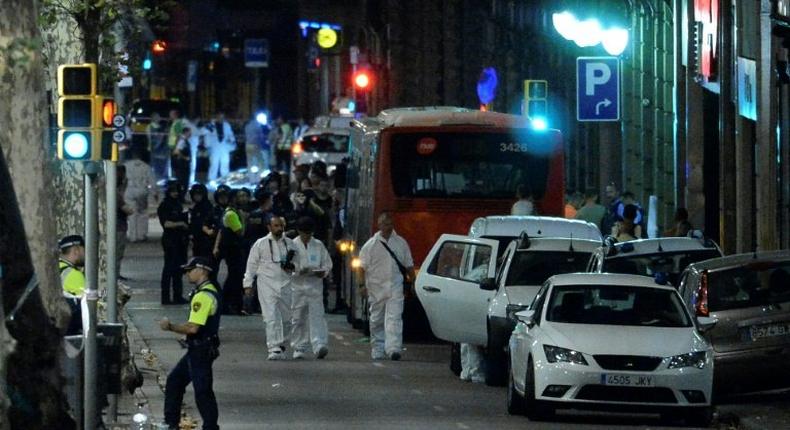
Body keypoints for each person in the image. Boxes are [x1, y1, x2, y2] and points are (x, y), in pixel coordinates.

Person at [160, 256, 221, 430]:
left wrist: (170, 326)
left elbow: (193, 328)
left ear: (202, 271)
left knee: (202, 391)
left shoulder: (202, 296)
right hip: (200, 347)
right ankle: (171, 422)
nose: (187, 273)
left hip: (200, 349)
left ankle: (210, 426)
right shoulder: (210, 290)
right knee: (175, 382)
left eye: (190, 270)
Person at [358, 212, 414, 360]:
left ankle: (394, 348)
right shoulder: (371, 245)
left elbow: (408, 265)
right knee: (376, 319)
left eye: (389, 224)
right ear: (379, 225)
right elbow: (361, 267)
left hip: (395, 286)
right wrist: (361, 285)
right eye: (384, 224)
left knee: (394, 317)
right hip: (376, 288)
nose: (387, 227)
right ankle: (377, 347)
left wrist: (413, 282)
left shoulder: (401, 243)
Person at [243, 216, 295, 360]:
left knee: (286, 318)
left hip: (286, 284)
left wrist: (293, 267)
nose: (279, 228)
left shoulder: (290, 244)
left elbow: (298, 264)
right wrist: (248, 284)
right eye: (276, 226)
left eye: (281, 226)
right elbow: (251, 264)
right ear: (269, 227)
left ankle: (281, 343)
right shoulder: (260, 244)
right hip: (266, 284)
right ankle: (273, 347)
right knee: (270, 316)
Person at [289, 217, 332, 359]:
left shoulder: (318, 245)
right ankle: (299, 346)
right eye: (304, 234)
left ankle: (319, 344)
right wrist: (297, 272)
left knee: (317, 316)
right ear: (299, 232)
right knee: (298, 318)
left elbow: (327, 264)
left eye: (309, 234)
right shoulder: (291, 246)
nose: (307, 237)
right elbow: (286, 267)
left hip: (314, 286)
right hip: (297, 287)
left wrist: (322, 272)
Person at [214, 189, 248, 315]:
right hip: (233, 250)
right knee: (235, 278)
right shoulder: (231, 214)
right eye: (239, 196)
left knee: (234, 277)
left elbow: (221, 231)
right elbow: (240, 232)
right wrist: (244, 219)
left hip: (231, 249)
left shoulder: (229, 212)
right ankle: (229, 305)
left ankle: (230, 305)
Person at [158, 180, 189, 305]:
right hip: (170, 240)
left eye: (177, 191)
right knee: (169, 269)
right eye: (173, 191)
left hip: (180, 240)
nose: (175, 194)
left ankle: (177, 295)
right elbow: (166, 223)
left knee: (178, 269)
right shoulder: (165, 205)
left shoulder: (178, 205)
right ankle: (166, 297)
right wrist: (180, 224)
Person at [124, 149, 157, 243]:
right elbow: (152, 182)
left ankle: (132, 236)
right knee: (142, 213)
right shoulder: (146, 167)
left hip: (129, 190)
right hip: (142, 190)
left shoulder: (126, 165)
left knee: (132, 214)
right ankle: (141, 235)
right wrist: (154, 193)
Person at [59, 235, 85, 336]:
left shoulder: (52, 266)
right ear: (76, 251)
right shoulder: (74, 275)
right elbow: (86, 310)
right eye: (84, 250)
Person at [188, 184, 216, 259]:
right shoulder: (196, 207)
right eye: (195, 194)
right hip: (197, 241)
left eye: (199, 194)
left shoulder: (207, 207)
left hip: (206, 241)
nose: (197, 196)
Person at [207, 112, 236, 181]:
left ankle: (225, 179)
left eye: (222, 117)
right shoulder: (211, 125)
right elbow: (206, 134)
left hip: (224, 146)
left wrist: (232, 141)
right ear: (216, 117)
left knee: (225, 163)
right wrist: (208, 146)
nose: (221, 119)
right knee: (214, 163)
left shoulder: (226, 125)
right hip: (214, 147)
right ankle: (212, 179)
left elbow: (230, 134)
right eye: (220, 117)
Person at [148, 112, 170, 180]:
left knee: (163, 168)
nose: (159, 118)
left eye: (159, 117)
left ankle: (162, 179)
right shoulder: (151, 127)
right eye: (157, 117)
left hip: (163, 151)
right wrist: (161, 135)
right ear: (153, 118)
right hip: (156, 151)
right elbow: (153, 139)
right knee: (156, 167)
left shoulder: (160, 126)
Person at [172, 127, 192, 192]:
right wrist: (185, 157)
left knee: (183, 181)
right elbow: (176, 151)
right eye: (189, 132)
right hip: (183, 164)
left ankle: (181, 197)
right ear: (186, 132)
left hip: (184, 164)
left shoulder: (184, 140)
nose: (191, 134)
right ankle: (180, 197)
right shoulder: (182, 141)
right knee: (183, 181)